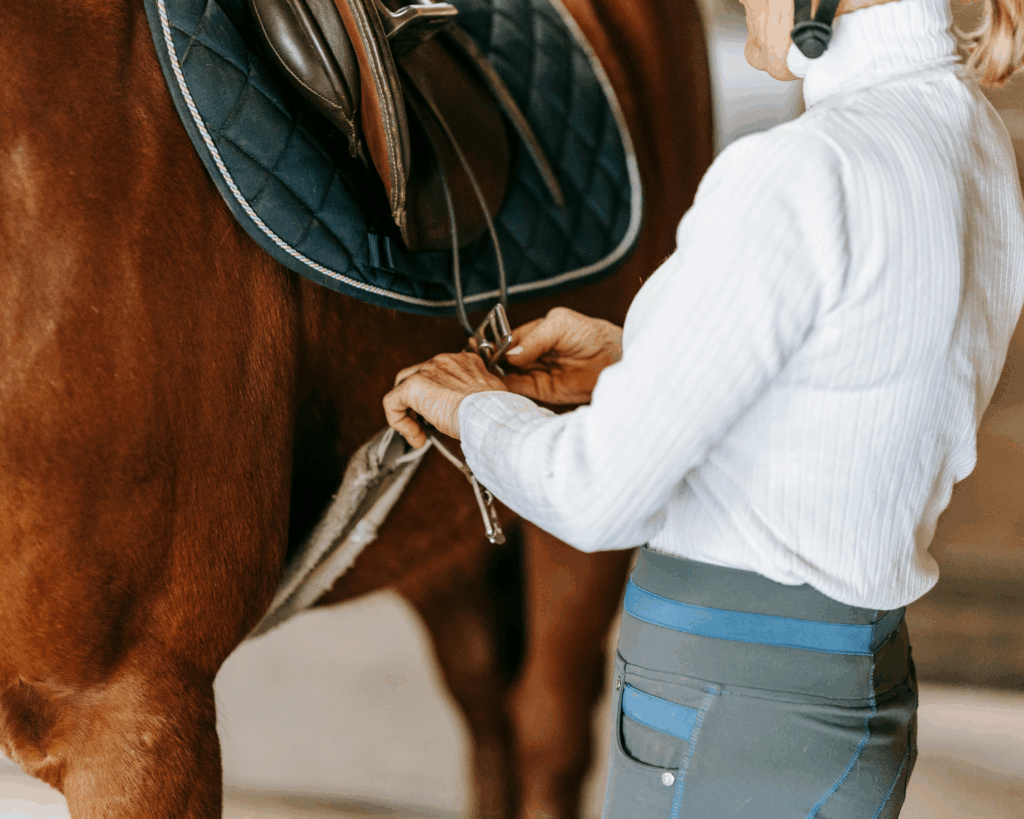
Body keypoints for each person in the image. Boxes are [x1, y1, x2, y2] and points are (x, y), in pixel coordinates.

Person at [383, 0, 1024, 814]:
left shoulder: (798, 170)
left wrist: (476, 408)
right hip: (848, 691)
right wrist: (642, 361)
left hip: (725, 708)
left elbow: (594, 495)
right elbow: (868, 371)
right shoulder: (969, 133)